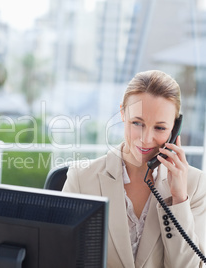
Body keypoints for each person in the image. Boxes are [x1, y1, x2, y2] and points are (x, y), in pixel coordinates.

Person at [62, 70, 206, 268]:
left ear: (175, 127)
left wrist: (179, 199)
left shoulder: (195, 185)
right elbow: (61, 258)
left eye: (160, 128)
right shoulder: (81, 178)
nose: (146, 139)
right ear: (122, 113)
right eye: (137, 123)